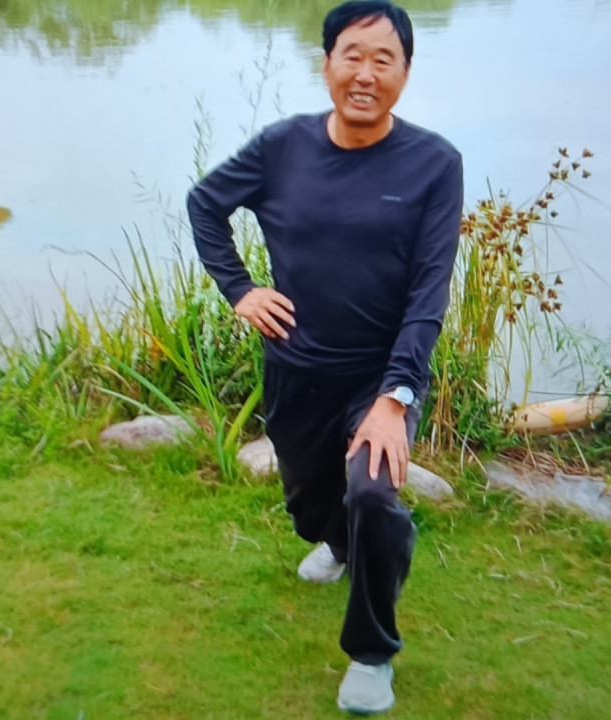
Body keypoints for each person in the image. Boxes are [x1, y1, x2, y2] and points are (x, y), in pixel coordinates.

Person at [187, 1, 463, 713]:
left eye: (384, 59)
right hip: (296, 369)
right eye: (353, 56)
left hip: (380, 373)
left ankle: (371, 653)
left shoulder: (435, 164)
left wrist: (395, 397)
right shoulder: (282, 147)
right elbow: (204, 204)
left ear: (405, 72)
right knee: (312, 506)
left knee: (372, 492)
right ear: (327, 65)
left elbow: (428, 293)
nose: (366, 74)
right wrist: (240, 289)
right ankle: (338, 544)